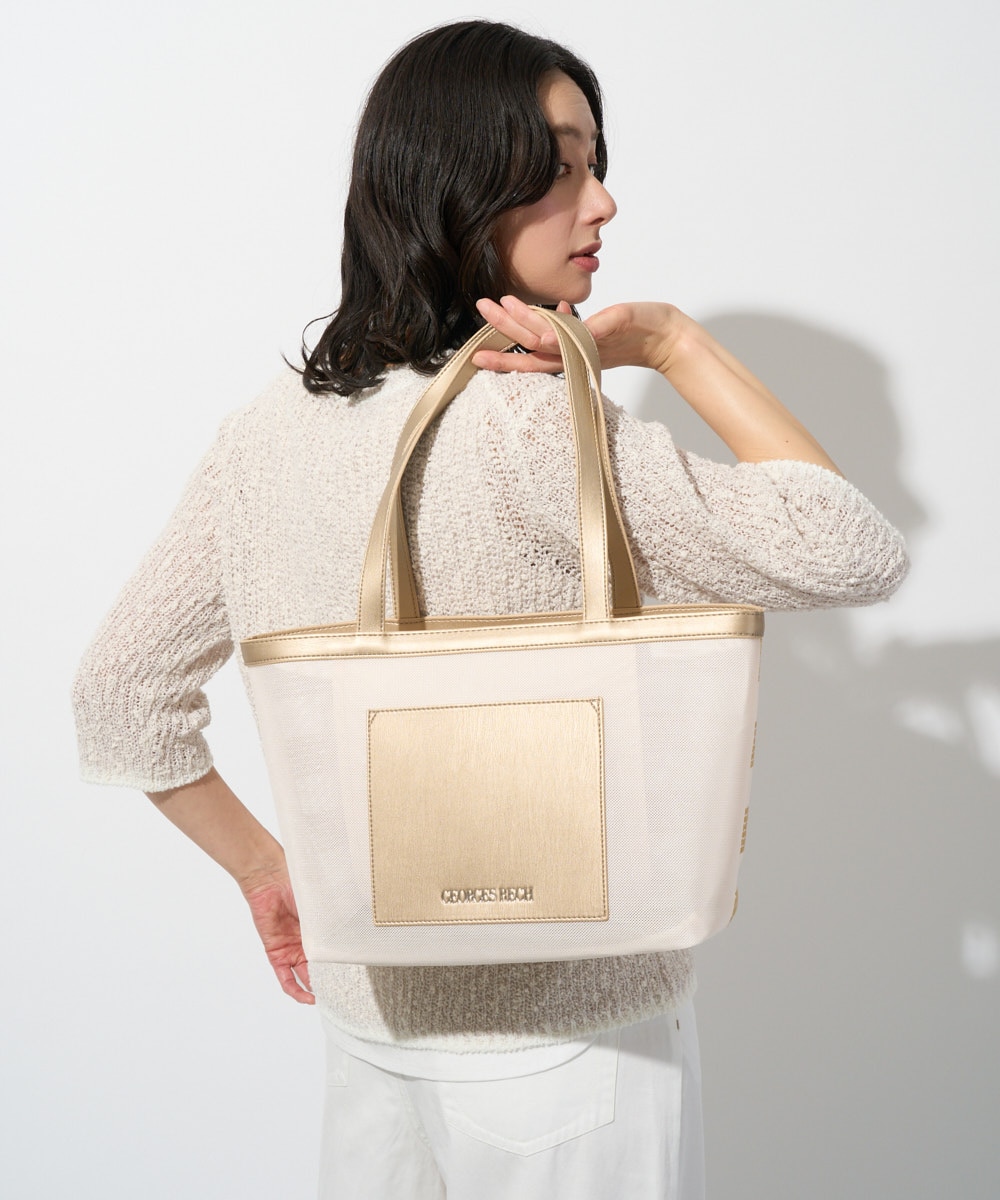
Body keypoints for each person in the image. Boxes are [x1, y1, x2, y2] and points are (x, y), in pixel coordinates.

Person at [72, 19, 909, 1200]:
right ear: (459, 185)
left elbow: (117, 695)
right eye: (560, 167)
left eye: (597, 163)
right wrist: (668, 341)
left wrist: (266, 871)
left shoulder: (267, 433)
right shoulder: (530, 419)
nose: (602, 202)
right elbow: (852, 550)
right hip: (571, 1044)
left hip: (369, 1031)